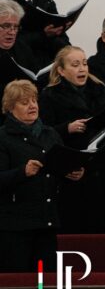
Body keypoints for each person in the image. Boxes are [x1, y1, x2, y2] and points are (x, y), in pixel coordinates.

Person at [39, 45, 105, 233]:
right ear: (61, 71)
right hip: (73, 171)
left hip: (102, 169)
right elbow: (43, 133)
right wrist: (67, 128)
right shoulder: (50, 95)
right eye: (75, 64)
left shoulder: (101, 90)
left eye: (85, 63)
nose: (82, 69)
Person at [0, 80, 83, 272]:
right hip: (15, 225)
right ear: (10, 108)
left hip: (46, 221)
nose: (32, 106)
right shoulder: (3, 137)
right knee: (18, 283)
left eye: (34, 100)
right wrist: (22, 172)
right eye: (24, 102)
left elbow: (58, 169)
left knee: (43, 282)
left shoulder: (50, 133)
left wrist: (71, 173)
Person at [0, 0, 43, 89]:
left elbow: (35, 75)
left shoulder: (21, 47)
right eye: (6, 26)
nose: (12, 32)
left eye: (16, 27)